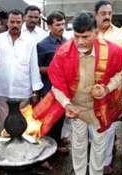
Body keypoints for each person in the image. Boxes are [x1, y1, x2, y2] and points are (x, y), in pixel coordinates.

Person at [34, 12, 122, 175]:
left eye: (85, 37)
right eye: (76, 36)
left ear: (96, 33)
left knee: (99, 146)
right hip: (76, 108)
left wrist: (107, 89)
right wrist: (67, 104)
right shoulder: (63, 53)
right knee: (78, 145)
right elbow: (57, 85)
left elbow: (118, 75)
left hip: (101, 107)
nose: (80, 42)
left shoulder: (113, 51)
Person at [94, 1, 122, 173]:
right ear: (95, 14)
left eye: (109, 13)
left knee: (109, 125)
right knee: (90, 125)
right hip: (89, 90)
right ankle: (93, 158)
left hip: (111, 90)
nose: (107, 16)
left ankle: (106, 161)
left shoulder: (119, 34)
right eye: (103, 13)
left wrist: (116, 79)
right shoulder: (88, 32)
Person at [0, 9, 43, 133]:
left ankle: (20, 150)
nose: (15, 25)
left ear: (22, 22)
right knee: (3, 123)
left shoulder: (30, 42)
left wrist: (35, 91)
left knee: (21, 123)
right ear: (7, 23)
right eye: (12, 22)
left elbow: (33, 66)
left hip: (23, 91)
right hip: (2, 90)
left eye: (18, 22)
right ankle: (3, 149)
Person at [37, 10, 68, 156]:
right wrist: (54, 69)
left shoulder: (68, 43)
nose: (61, 27)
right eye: (58, 24)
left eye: (63, 24)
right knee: (49, 119)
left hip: (64, 89)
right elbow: (37, 68)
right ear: (49, 26)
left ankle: (56, 143)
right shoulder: (42, 45)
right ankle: (46, 148)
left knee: (61, 117)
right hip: (49, 89)